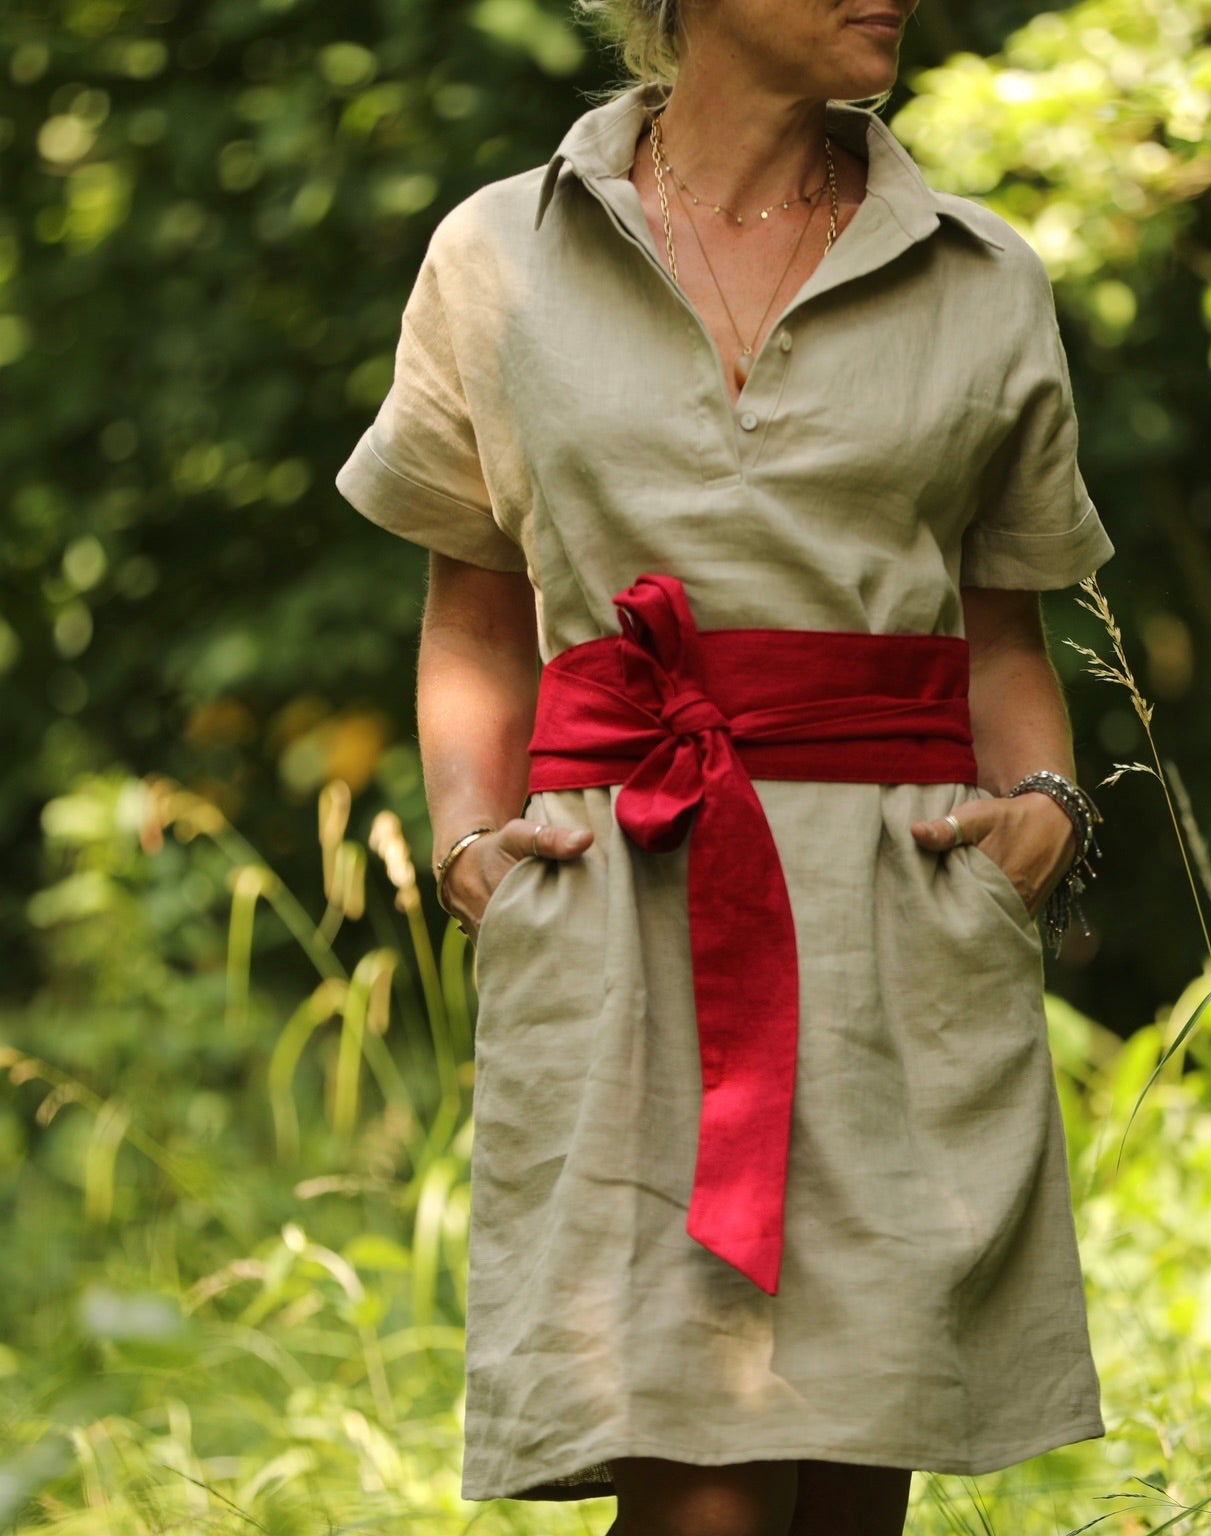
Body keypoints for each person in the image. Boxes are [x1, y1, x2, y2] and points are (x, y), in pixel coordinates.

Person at [335, 0, 1114, 1530]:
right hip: (623, 914)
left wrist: (1045, 812)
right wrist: (470, 842)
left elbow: (1005, 635)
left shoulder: (983, 277)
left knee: (848, 1491)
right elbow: (473, 614)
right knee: (700, 1494)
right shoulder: (499, 255)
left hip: (897, 927)